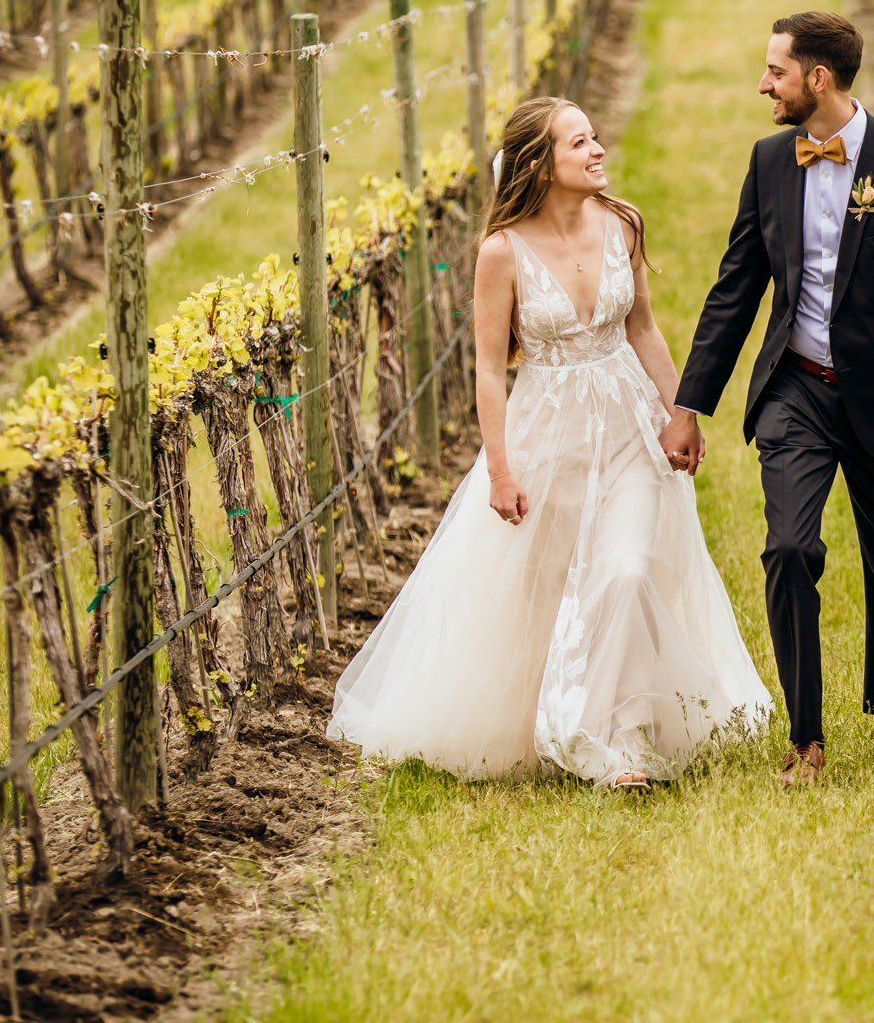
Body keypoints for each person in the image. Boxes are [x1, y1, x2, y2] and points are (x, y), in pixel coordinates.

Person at [328, 96, 773, 789]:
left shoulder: (623, 224)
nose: (597, 150)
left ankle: (614, 740)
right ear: (540, 164)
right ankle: (555, 717)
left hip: (628, 420)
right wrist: (500, 469)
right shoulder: (501, 253)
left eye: (594, 137)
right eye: (579, 142)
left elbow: (644, 328)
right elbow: (486, 366)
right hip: (549, 430)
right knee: (556, 585)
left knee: (626, 570)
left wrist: (680, 410)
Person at [659, 11, 874, 788]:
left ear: (818, 79)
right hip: (795, 388)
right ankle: (806, 738)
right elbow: (735, 289)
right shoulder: (770, 161)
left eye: (776, 71)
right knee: (789, 549)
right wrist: (687, 404)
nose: (763, 84)